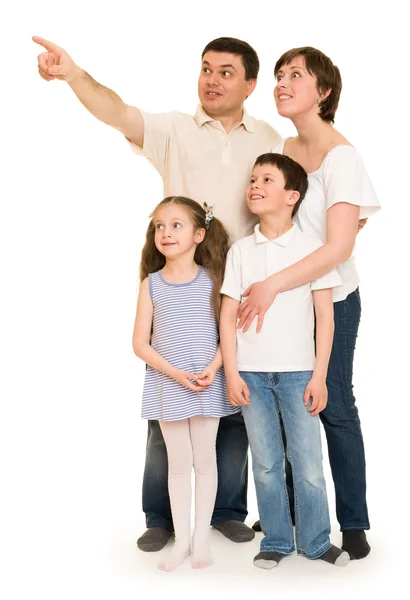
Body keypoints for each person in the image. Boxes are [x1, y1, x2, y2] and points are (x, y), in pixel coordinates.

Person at [33, 34, 281, 550]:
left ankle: (227, 510)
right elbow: (119, 112)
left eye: (226, 72)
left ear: (250, 84)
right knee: (168, 396)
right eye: (206, 68)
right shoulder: (174, 129)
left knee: (230, 396)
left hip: (237, 286)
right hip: (180, 275)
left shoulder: (269, 137)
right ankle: (160, 517)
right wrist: (75, 75)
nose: (212, 79)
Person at [237, 47, 380, 560]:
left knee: (334, 404)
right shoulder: (283, 147)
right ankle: (289, 510)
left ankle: (354, 522)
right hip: (283, 307)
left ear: (323, 92)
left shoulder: (343, 156)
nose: (282, 82)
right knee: (284, 404)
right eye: (278, 75)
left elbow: (339, 247)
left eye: (295, 75)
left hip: (331, 300)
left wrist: (274, 283)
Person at [133, 195, 240, 571]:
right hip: (169, 384)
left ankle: (201, 541)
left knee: (205, 462)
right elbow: (139, 344)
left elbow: (227, 334)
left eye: (175, 225)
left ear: (198, 234)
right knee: (178, 465)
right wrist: (175, 373)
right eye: (159, 226)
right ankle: (180, 541)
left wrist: (214, 367)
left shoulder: (214, 282)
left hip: (208, 383)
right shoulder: (152, 284)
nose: (165, 232)